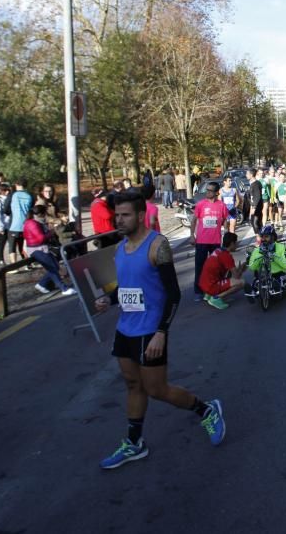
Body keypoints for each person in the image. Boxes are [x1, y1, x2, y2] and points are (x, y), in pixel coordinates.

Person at [93, 191, 225, 469]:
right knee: (133, 385)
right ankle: (134, 443)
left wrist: (161, 332)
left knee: (157, 389)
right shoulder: (120, 248)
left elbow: (174, 294)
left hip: (150, 330)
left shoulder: (157, 246)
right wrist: (110, 298)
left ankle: (206, 410)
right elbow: (127, 286)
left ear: (141, 216)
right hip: (125, 329)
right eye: (117, 215)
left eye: (125, 215)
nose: (119, 220)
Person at [24, 205, 75, 296]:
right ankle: (63, 288)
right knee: (52, 267)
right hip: (36, 249)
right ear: (41, 214)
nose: (46, 216)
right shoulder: (32, 223)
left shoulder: (37, 222)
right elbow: (40, 238)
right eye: (45, 214)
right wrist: (51, 232)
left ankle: (42, 284)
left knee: (55, 266)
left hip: (42, 247)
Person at [191, 182, 228, 302]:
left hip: (215, 241)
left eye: (211, 191)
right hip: (201, 241)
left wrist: (226, 232)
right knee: (200, 267)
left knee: (215, 268)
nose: (208, 192)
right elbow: (194, 220)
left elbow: (225, 220)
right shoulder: (201, 204)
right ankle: (198, 292)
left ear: (217, 193)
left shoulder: (221, 205)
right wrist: (192, 235)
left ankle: (215, 290)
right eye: (207, 190)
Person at [198, 231, 245, 310]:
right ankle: (216, 298)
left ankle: (208, 295)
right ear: (232, 244)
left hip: (204, 284)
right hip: (211, 286)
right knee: (241, 282)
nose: (237, 245)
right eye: (236, 243)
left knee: (228, 274)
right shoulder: (226, 256)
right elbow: (236, 277)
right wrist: (242, 269)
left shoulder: (218, 250)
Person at [245, 224, 286, 296]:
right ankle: (252, 291)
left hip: (277, 272)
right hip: (261, 274)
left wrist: (273, 257)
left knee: (276, 279)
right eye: (262, 237)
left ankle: (277, 287)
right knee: (256, 281)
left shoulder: (281, 247)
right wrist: (260, 255)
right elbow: (252, 267)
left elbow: (285, 265)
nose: (263, 239)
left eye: (266, 237)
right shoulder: (257, 250)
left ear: (272, 237)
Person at [5, 179, 34, 264]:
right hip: (26, 224)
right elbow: (31, 209)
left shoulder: (12, 195)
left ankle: (14, 265)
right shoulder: (30, 195)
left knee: (12, 245)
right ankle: (28, 264)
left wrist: (10, 213)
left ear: (16, 185)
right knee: (24, 245)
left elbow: (6, 208)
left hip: (14, 224)